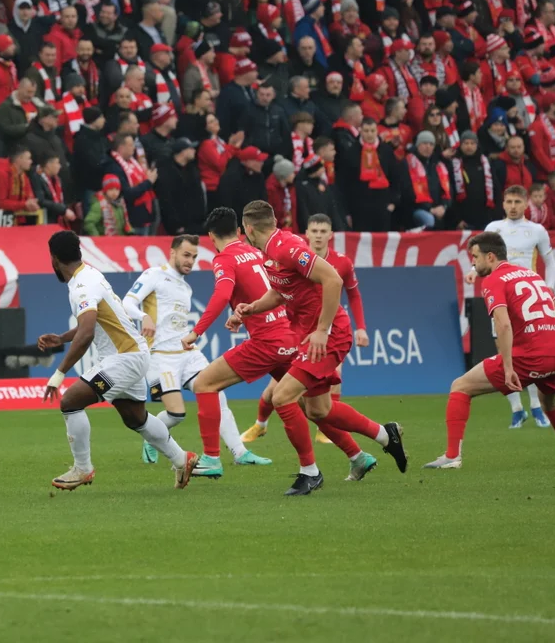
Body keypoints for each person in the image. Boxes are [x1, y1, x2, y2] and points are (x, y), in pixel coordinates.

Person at [230, 200, 408, 493]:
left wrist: (323, 331)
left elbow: (333, 279)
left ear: (248, 229)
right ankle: (385, 435)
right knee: (319, 410)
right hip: (307, 335)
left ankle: (309, 472)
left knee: (283, 396)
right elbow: (280, 291)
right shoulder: (270, 251)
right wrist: (253, 308)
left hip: (329, 335)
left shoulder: (286, 246)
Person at [36, 230, 199, 490]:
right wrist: (62, 338)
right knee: (135, 418)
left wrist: (59, 374)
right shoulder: (90, 274)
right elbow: (96, 322)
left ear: (53, 259)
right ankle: (182, 459)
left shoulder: (81, 286)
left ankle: (82, 468)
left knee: (71, 401)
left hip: (124, 357)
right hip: (134, 354)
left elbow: (87, 332)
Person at [179, 206, 317, 489]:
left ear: (210, 236)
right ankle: (358, 452)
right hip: (290, 335)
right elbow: (269, 290)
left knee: (204, 383)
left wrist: (196, 331)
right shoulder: (256, 252)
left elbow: (221, 294)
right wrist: (242, 314)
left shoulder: (224, 258)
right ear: (240, 232)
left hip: (267, 341)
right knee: (314, 406)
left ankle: (211, 458)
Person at [123, 235, 269, 468]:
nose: (190, 261)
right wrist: (144, 316)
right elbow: (127, 303)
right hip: (161, 357)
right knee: (175, 414)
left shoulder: (185, 287)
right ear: (172, 252)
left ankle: (240, 452)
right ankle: (153, 436)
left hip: (187, 353)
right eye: (186, 255)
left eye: (194, 257)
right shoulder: (154, 275)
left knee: (218, 395)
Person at [425, 232, 555, 469]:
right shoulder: (532, 275)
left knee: (461, 386)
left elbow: (503, 324)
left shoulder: (494, 280)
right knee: (548, 397)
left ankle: (451, 456)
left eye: (475, 257)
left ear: (490, 257)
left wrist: (508, 366)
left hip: (529, 357)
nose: (473, 262)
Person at [460, 186, 555, 430]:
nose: (513, 206)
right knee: (505, 351)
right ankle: (517, 409)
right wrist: (473, 272)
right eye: (509, 201)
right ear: (503, 204)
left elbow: (551, 264)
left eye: (517, 201)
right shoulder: (494, 228)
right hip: (504, 297)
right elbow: (482, 256)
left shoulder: (537, 230)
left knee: (530, 351)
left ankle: (536, 405)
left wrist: (547, 290)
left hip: (527, 304)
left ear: (526, 204)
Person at [155, 138, 206, 235]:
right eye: (191, 148)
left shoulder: (192, 170)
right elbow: (166, 201)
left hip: (195, 225)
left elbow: (199, 197)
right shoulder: (167, 173)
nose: (194, 150)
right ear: (182, 151)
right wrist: (175, 225)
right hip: (178, 227)